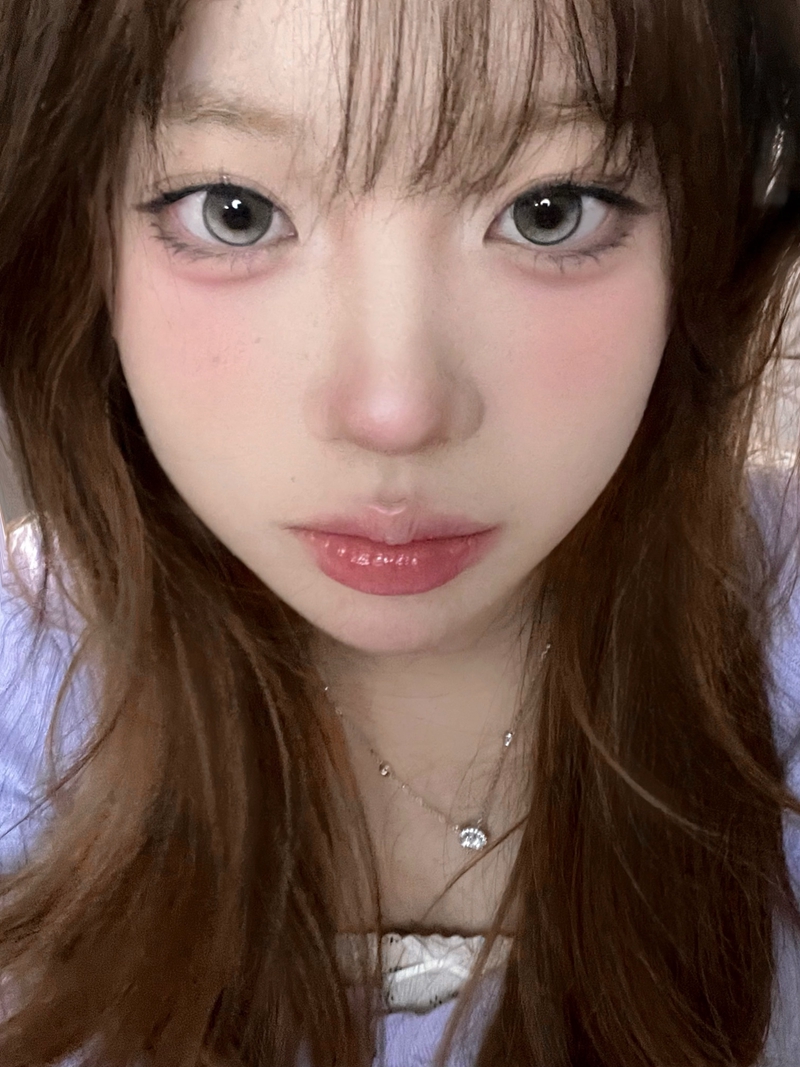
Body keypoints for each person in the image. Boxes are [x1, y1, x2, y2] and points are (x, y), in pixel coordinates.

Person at [0, 0, 800, 1063]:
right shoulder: (25, 695)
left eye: (548, 210)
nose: (395, 410)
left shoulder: (778, 635)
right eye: (235, 210)